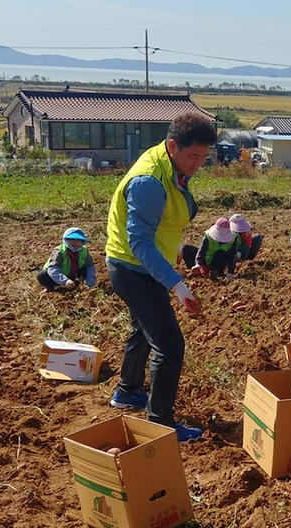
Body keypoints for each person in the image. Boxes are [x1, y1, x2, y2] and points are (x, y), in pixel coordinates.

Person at [105, 113, 217, 442]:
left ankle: (127, 392)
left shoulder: (170, 165)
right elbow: (140, 241)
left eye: (203, 157)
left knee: (143, 329)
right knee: (169, 344)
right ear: (172, 146)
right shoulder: (149, 182)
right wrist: (178, 285)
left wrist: (179, 252)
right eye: (193, 156)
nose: (198, 163)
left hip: (142, 265)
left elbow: (164, 223)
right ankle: (159, 420)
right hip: (132, 269)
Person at [37, 227, 96, 292]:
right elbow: (52, 268)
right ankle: (50, 288)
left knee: (85, 269)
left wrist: (90, 283)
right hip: (55, 276)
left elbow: (90, 266)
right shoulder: (60, 251)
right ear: (66, 240)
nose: (75, 242)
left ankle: (74, 285)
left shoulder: (84, 251)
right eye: (72, 239)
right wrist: (65, 281)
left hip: (72, 275)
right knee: (42, 275)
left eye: (78, 240)